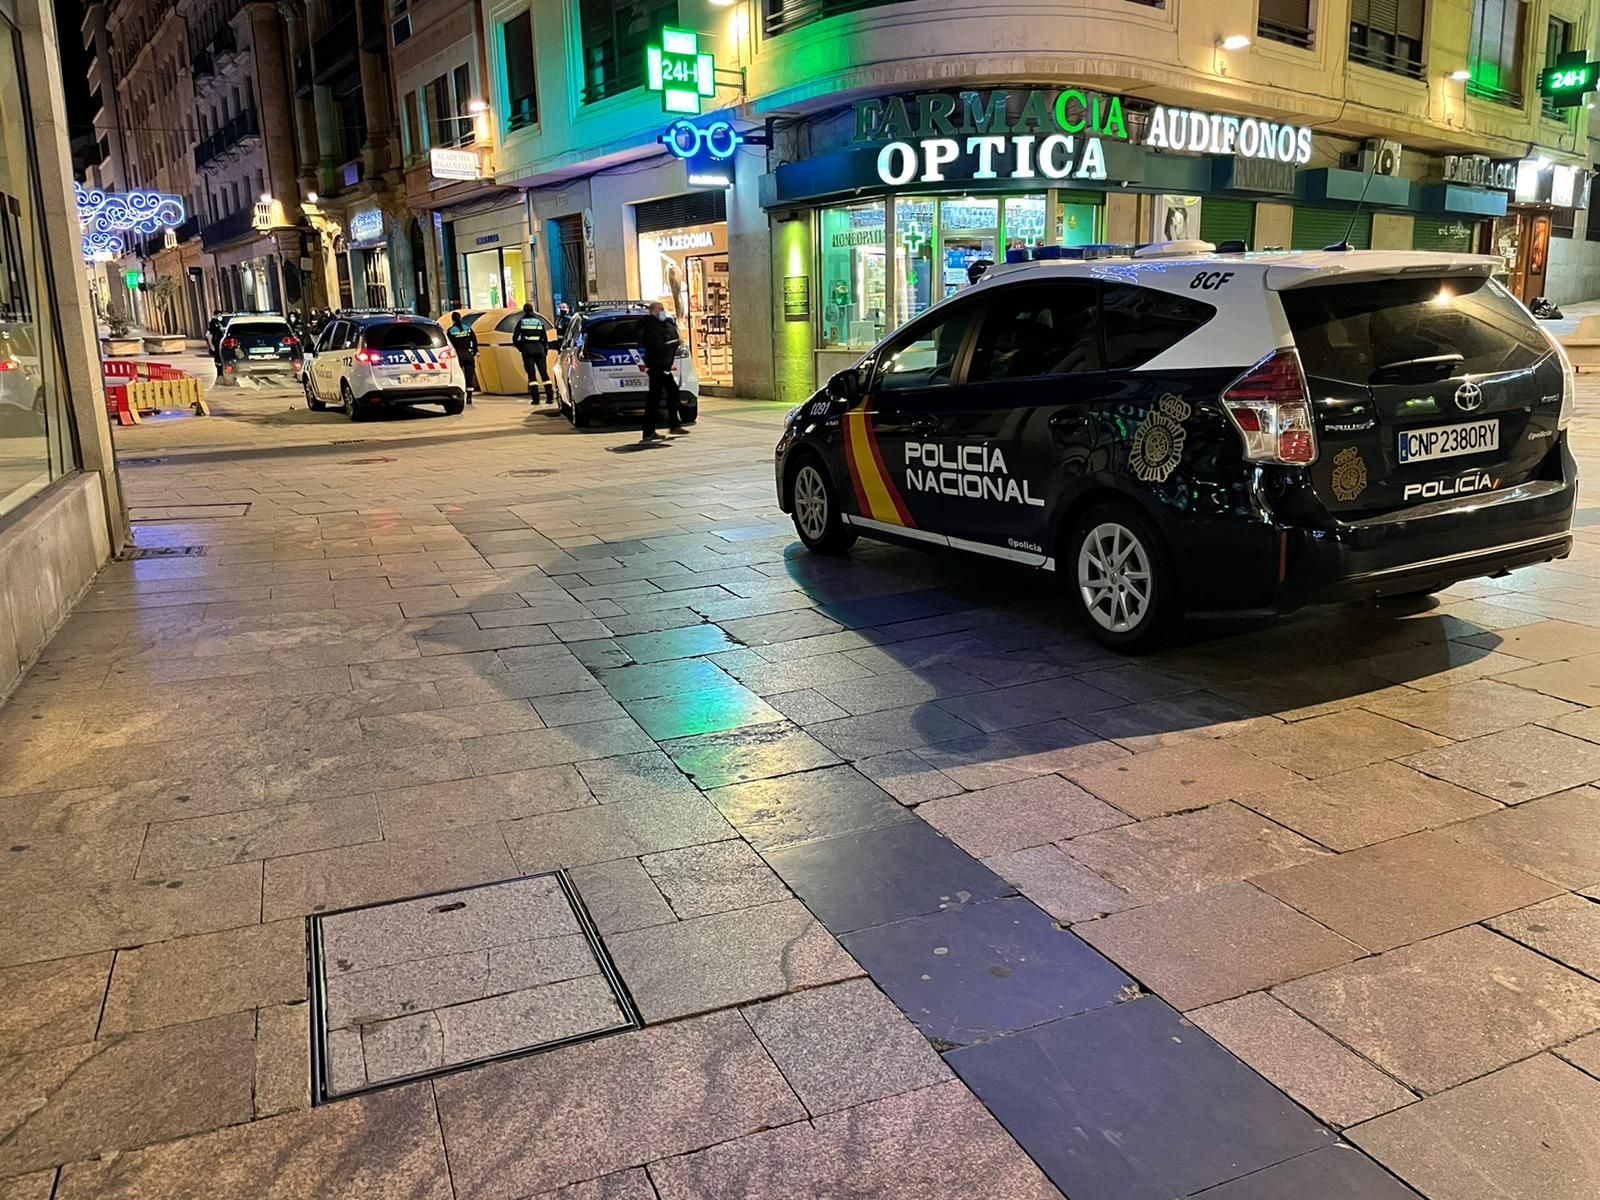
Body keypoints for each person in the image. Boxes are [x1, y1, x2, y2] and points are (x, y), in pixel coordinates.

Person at [639, 300, 688, 443]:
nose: (662, 311)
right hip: (656, 367)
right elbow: (657, 345)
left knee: (672, 392)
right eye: (660, 309)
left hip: (663, 367)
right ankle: (649, 431)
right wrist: (672, 344)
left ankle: (673, 424)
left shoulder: (662, 324)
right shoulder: (650, 327)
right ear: (653, 311)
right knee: (654, 399)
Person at [510, 302, 554, 405]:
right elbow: (545, 339)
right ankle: (550, 397)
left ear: (524, 311)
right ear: (533, 310)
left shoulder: (522, 322)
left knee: (532, 375)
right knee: (544, 373)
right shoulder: (539, 322)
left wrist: (521, 347)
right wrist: (544, 350)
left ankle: (536, 399)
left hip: (528, 350)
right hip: (540, 349)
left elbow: (515, 338)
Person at [446, 310, 479, 405]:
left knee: (458, 376)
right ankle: (469, 397)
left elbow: (450, 344)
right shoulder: (467, 328)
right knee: (469, 376)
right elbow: (474, 340)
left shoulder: (451, 330)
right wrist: (474, 351)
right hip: (468, 354)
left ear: (452, 320)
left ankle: (461, 395)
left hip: (458, 355)